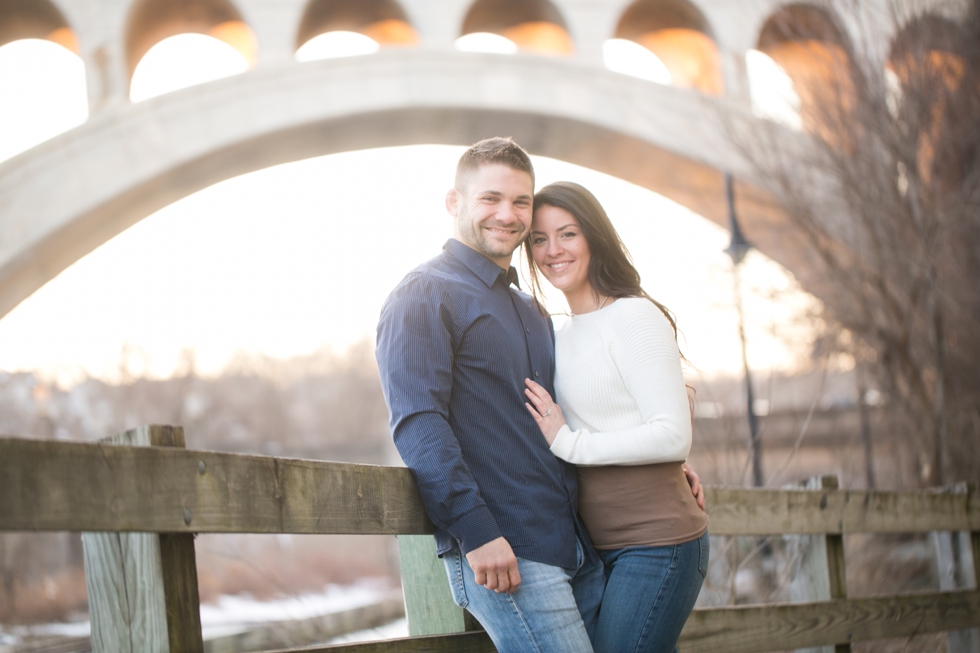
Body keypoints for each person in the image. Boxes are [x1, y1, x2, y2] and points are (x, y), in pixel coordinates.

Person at [375, 138, 605, 653]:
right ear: (454, 203)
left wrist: (657, 464)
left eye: (521, 202)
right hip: (507, 554)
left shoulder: (531, 309)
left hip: (575, 546)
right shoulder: (424, 294)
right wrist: (475, 532)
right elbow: (419, 423)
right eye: (490, 199)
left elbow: (572, 414)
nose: (508, 214)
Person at [522, 181, 709, 653]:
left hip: (657, 543)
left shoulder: (633, 316)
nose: (553, 251)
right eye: (539, 240)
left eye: (567, 234)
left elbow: (671, 436)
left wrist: (571, 443)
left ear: (594, 237)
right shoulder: (555, 333)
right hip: (589, 552)